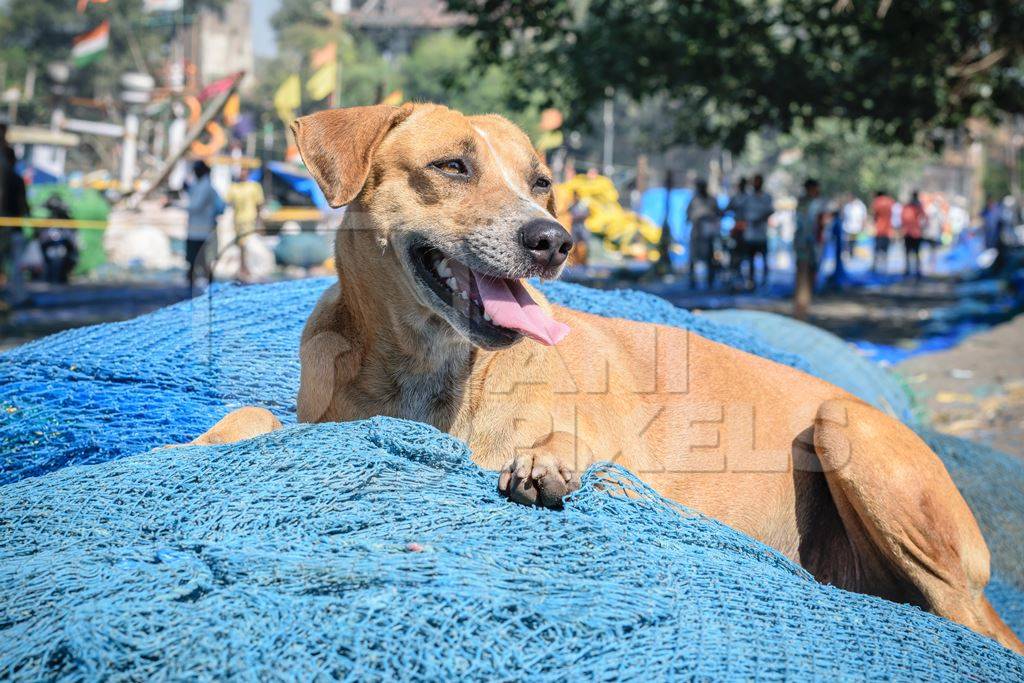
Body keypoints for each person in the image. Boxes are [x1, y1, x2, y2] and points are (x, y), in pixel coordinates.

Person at [186, 160, 223, 289]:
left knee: (203, 264)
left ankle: (208, 290)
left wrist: (175, 204)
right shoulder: (199, 185)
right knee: (193, 264)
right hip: (195, 231)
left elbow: (195, 207)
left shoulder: (206, 187)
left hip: (202, 233)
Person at [793, 178, 827, 319]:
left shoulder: (813, 203)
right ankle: (801, 307)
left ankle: (804, 305)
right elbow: (818, 224)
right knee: (804, 274)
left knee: (809, 273)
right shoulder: (811, 204)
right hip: (806, 244)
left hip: (810, 244)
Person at [1, 143, 29, 307]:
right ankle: (17, 296)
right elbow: (24, 206)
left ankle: (15, 296)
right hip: (13, 230)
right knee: (16, 267)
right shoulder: (16, 179)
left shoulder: (14, 179)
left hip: (11, 229)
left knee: (13, 266)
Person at [226, 168, 265, 281]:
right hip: (238, 221)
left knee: (249, 245)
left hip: (250, 220)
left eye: (244, 170)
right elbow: (229, 203)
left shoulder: (254, 187)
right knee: (241, 246)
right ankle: (243, 269)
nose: (242, 173)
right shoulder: (234, 187)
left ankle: (249, 269)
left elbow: (259, 205)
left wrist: (260, 222)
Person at [686, 178, 721, 289]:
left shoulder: (711, 200)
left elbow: (718, 213)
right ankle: (693, 281)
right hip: (696, 233)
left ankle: (710, 281)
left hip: (708, 233)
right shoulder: (694, 200)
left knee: (710, 258)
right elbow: (688, 215)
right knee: (693, 258)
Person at [37, 195, 79, 284]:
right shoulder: (46, 221)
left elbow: (73, 239)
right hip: (50, 246)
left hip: (63, 246)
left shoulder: (67, 220)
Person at [744, 174, 773, 287]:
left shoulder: (767, 197)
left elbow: (770, 211)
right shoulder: (748, 198)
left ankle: (765, 281)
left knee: (764, 258)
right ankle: (751, 281)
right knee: (750, 260)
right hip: (750, 235)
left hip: (762, 235)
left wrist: (761, 218)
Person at [725, 177, 749, 284]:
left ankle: (744, 275)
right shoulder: (735, 198)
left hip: (748, 230)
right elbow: (727, 209)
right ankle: (734, 272)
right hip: (736, 230)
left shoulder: (749, 197)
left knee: (746, 254)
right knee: (733, 251)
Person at [901, 191, 926, 280]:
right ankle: (917, 270)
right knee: (916, 252)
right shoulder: (919, 207)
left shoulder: (907, 207)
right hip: (916, 233)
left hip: (908, 233)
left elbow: (903, 219)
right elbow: (924, 219)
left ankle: (908, 269)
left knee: (908, 253)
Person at [870, 190, 895, 273]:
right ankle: (885, 268)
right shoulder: (890, 201)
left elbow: (874, 215)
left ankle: (875, 267)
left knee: (877, 250)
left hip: (879, 230)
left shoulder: (877, 202)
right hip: (888, 230)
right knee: (885, 251)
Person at [567, 191, 590, 266]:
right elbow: (567, 211)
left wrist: (576, 217)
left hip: (581, 227)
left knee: (583, 245)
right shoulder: (572, 204)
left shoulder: (582, 205)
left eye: (576, 196)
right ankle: (575, 262)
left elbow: (586, 214)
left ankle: (584, 262)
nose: (575, 198)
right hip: (574, 227)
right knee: (574, 245)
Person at [841, 193, 867, 259]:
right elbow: (844, 216)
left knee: (853, 241)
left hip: (855, 227)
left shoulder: (859, 206)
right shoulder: (847, 206)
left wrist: (863, 226)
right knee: (848, 241)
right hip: (848, 227)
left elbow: (863, 217)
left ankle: (852, 252)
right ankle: (849, 252)